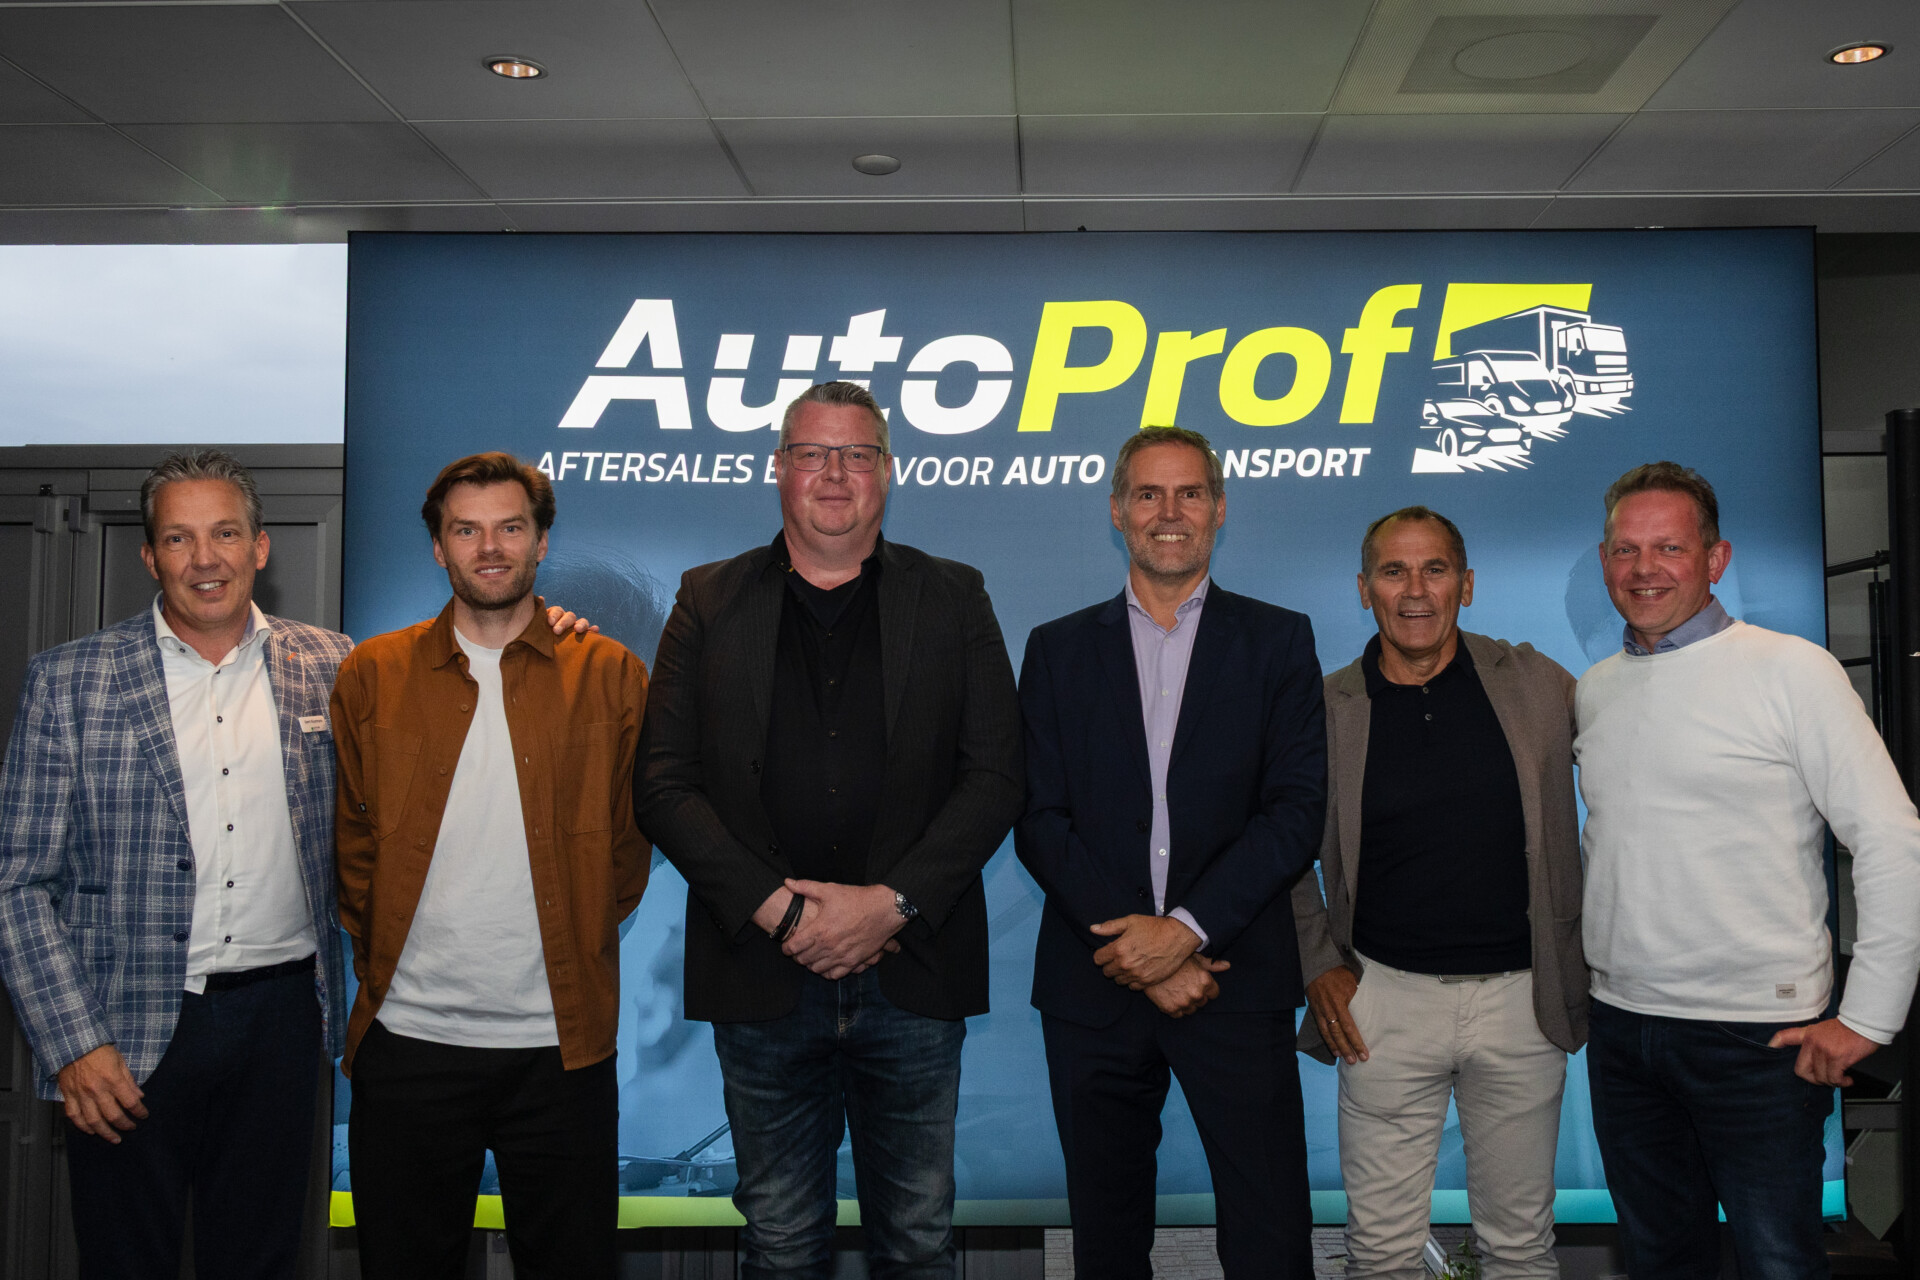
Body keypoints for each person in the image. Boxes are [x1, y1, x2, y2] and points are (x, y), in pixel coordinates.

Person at [636, 380, 1023, 1280]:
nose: (835, 474)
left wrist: (891, 905)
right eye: (813, 453)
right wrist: (784, 915)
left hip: (912, 975)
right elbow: (662, 783)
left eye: (857, 454)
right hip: (761, 974)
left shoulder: (955, 595)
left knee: (918, 1245)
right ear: (779, 468)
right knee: (779, 1244)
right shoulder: (706, 599)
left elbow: (998, 776)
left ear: (888, 471)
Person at [0, 450, 351, 1279]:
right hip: (122, 1036)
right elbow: (17, 884)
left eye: (225, 534)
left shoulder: (335, 666)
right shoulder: (69, 681)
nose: (204, 559)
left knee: (261, 1262)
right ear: (150, 556)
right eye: (179, 538)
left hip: (282, 1024)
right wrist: (73, 1043)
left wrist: (545, 627)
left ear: (260, 547)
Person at [1576, 461, 1920, 1280]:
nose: (1644, 569)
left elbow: (1891, 839)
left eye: (1669, 548)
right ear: (1605, 561)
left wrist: (1869, 1019)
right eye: (1625, 550)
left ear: (1716, 558)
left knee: (1778, 1264)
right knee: (1662, 1262)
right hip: (1623, 1030)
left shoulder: (1792, 670)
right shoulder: (1598, 687)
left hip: (1759, 1040)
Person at [1015, 425, 1326, 1280]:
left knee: (1270, 1240)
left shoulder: (1278, 641)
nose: (1169, 512)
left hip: (1233, 978)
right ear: (1117, 511)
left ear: (1220, 509)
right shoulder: (1056, 649)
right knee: (1107, 1245)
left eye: (1190, 493)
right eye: (1148, 494)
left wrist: (1184, 931)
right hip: (1095, 986)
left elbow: (1295, 814)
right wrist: (1140, 950)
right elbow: (1038, 818)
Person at [331, 451, 649, 1280]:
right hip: (409, 1042)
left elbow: (627, 850)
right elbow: (353, 847)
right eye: (466, 530)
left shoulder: (610, 673)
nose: (490, 547)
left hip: (562, 1052)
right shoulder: (373, 673)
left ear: (541, 542)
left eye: (510, 527)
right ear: (439, 548)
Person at [1289, 506, 1584, 1280]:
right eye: (1394, 571)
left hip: (1524, 1004)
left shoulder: (1536, 683)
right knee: (1381, 1254)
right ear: (1364, 589)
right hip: (1383, 1004)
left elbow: (1636, 765)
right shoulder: (1324, 708)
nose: (1415, 590)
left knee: (1521, 1248)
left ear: (1467, 585)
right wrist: (1319, 963)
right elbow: (1281, 847)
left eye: (1435, 569)